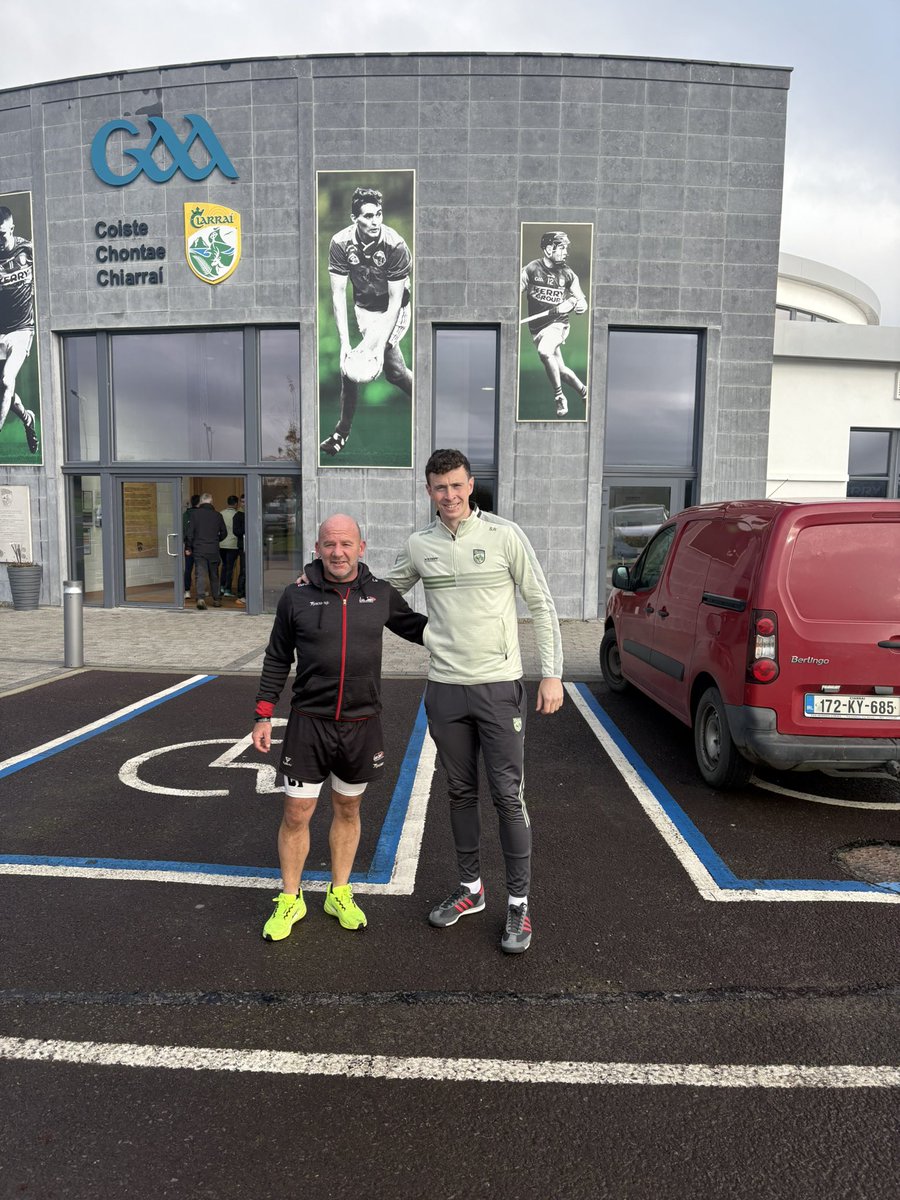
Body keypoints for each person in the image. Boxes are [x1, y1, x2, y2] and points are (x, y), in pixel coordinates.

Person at [389, 449, 564, 954]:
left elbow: (541, 603)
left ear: (471, 486)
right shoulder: (420, 544)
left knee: (508, 797)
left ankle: (518, 903)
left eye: (457, 485)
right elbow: (381, 594)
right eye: (440, 487)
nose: (450, 495)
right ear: (429, 491)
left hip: (497, 685)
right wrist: (427, 635)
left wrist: (551, 675)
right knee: (459, 793)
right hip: (445, 688)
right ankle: (471, 890)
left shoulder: (504, 536)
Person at [252, 513, 426, 941]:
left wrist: (473, 622)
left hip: (361, 725)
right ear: (317, 548)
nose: (338, 552)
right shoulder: (296, 597)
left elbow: (422, 630)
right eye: (330, 544)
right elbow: (278, 656)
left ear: (361, 548)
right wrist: (262, 712)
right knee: (297, 813)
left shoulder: (380, 594)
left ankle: (339, 892)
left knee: (349, 809)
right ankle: (291, 898)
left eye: (346, 544)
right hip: (308, 724)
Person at [320, 186, 412, 457]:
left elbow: (395, 302)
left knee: (364, 366)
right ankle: (430, 397)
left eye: (378, 215)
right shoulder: (339, 243)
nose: (375, 221)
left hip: (394, 309)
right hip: (364, 310)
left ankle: (341, 432)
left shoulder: (395, 245)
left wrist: (379, 345)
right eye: (368, 216)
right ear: (354, 218)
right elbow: (337, 293)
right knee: (389, 373)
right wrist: (343, 344)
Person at [521, 230, 588, 417]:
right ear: (549, 249)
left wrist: (578, 304)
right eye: (562, 248)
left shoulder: (568, 274)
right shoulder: (531, 269)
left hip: (558, 324)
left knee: (544, 351)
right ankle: (585, 391)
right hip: (537, 329)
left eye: (566, 248)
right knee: (562, 371)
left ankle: (559, 397)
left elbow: (581, 299)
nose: (566, 252)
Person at [0, 206, 39, 457]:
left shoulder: (28, 250)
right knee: (5, 390)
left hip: (22, 329)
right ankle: (28, 419)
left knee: (6, 380)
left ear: (11, 230)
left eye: (1, 235)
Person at [184, 492, 226, 610]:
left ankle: (201, 598)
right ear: (211, 502)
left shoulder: (194, 515)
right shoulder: (217, 515)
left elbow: (190, 533)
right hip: (213, 548)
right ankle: (216, 599)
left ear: (201, 502)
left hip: (199, 549)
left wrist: (188, 547)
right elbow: (224, 533)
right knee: (214, 574)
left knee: (200, 573)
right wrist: (216, 540)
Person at [219, 494, 240, 596]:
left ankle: (221, 587)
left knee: (224, 566)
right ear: (236, 504)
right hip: (233, 544)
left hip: (221, 544)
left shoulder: (221, 514)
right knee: (230, 567)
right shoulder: (237, 514)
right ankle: (227, 589)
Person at [182, 493, 200, 598]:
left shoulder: (185, 515)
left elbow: (183, 530)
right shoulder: (201, 514)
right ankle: (200, 590)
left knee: (188, 568)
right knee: (200, 568)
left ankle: (187, 591)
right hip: (199, 545)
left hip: (188, 545)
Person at [233, 494, 246, 606]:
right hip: (243, 547)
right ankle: (241, 595)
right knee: (244, 571)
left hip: (254, 547)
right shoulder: (238, 516)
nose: (244, 503)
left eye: (246, 501)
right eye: (242, 501)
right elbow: (236, 531)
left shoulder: (255, 513)